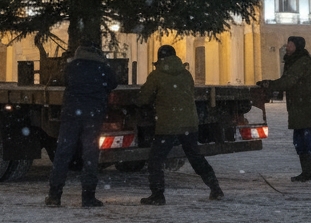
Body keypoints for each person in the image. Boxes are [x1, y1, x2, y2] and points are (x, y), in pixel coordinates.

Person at [137, 45, 224, 205]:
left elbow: (143, 98)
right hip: (189, 123)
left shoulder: (156, 76)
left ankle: (157, 195)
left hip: (168, 125)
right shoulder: (186, 74)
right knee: (195, 157)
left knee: (155, 160)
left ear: (160, 58)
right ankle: (215, 188)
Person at [45, 42, 117, 207]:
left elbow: (63, 80)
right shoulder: (102, 67)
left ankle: (54, 195)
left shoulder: (72, 66)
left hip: (71, 114)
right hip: (93, 115)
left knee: (63, 154)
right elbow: (113, 83)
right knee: (90, 156)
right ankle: (88, 197)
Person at [256, 36, 311, 182]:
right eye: (288, 43)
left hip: (308, 108)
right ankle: (307, 173)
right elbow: (288, 81)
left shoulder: (302, 62)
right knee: (300, 141)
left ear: (297, 47)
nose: (287, 46)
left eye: (290, 44)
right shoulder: (292, 61)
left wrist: (270, 84)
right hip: (299, 108)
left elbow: (288, 81)